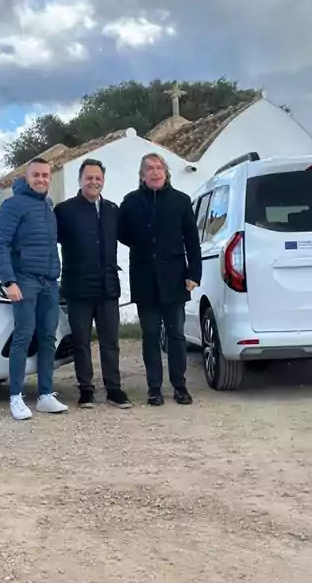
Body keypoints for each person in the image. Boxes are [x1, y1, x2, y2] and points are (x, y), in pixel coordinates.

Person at [117, 152, 202, 406]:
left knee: (176, 335)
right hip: (144, 279)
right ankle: (154, 388)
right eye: (150, 169)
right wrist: (140, 243)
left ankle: (180, 386)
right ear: (142, 176)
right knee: (151, 335)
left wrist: (193, 274)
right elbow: (121, 233)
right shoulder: (130, 202)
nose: (155, 172)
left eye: (159, 168)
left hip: (175, 278)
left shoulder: (181, 200)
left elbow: (192, 241)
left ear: (166, 173)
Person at [0, 157, 69, 420]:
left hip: (49, 282)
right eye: (36, 175)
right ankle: (15, 397)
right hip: (24, 281)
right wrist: (9, 282)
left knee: (48, 337)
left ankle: (45, 395)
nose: (41, 179)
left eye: (46, 175)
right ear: (27, 177)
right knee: (23, 336)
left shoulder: (48, 206)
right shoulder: (12, 205)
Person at [54, 158, 131, 409]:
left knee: (111, 341)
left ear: (103, 181)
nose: (94, 182)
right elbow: (48, 242)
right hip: (78, 287)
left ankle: (114, 389)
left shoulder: (112, 209)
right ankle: (86, 389)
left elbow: (130, 237)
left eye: (98, 178)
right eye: (89, 178)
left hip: (108, 286)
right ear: (80, 180)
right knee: (82, 341)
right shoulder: (64, 211)